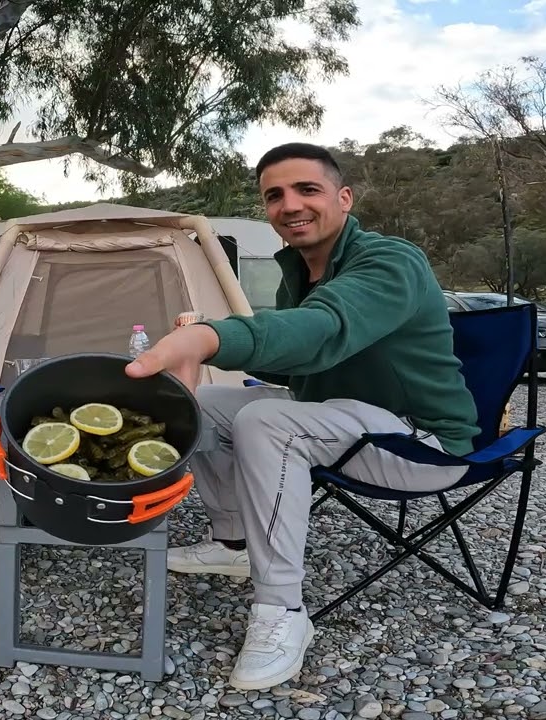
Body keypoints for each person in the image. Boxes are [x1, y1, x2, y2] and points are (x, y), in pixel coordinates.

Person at [125, 143, 480, 690]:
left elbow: (323, 330)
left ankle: (282, 611)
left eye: (306, 189)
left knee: (266, 424)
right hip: (351, 426)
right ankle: (233, 543)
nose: (290, 204)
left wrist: (209, 337)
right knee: (203, 407)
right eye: (275, 195)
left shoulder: (391, 261)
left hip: (423, 444)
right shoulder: (301, 273)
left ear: (343, 198)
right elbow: (302, 364)